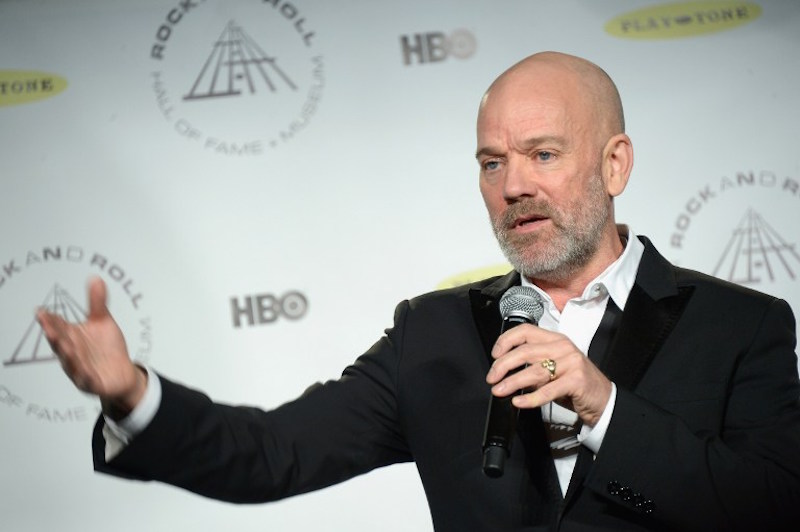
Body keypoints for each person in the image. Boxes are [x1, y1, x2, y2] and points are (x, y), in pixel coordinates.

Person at [37, 51, 800, 531]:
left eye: (543, 153)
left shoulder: (742, 325)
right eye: (491, 162)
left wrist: (604, 406)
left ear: (614, 165)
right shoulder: (435, 336)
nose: (515, 186)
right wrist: (132, 394)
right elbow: (273, 454)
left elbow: (773, 506)